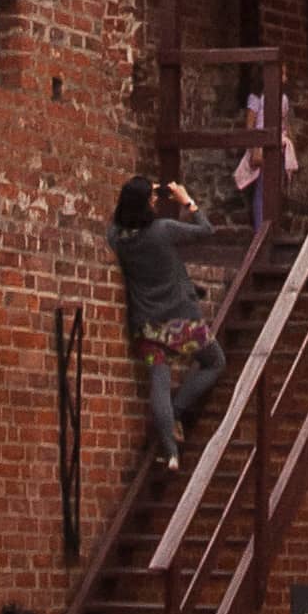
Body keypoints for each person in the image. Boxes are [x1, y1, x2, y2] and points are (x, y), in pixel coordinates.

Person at [106, 173, 225, 470]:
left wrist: (139, 192)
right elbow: (206, 230)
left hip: (147, 324)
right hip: (180, 319)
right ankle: (176, 412)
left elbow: (121, 222)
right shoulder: (163, 230)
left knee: (158, 379)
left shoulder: (117, 239)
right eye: (153, 198)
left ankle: (171, 451)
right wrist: (187, 201)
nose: (156, 202)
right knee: (215, 361)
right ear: (147, 204)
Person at [234, 69, 297, 232]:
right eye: (281, 73)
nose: (285, 77)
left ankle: (272, 229)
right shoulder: (256, 97)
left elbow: (285, 123)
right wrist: (255, 146)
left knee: (276, 188)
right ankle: (259, 231)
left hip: (279, 145)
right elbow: (250, 124)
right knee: (262, 187)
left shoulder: (283, 99)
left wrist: (290, 144)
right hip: (261, 144)